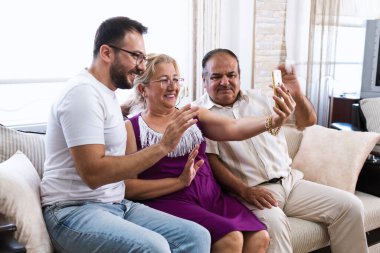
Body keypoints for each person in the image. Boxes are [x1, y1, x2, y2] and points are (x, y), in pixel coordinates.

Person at [40, 16, 212, 253]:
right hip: (72, 211)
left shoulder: (107, 94)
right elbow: (93, 174)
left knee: (197, 236)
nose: (142, 66)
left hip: (116, 204)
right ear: (107, 53)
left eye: (142, 58)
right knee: (155, 247)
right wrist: (163, 146)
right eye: (135, 56)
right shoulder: (81, 93)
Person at [195, 48, 368, 253]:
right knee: (274, 226)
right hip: (252, 192)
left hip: (291, 182)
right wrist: (244, 190)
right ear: (204, 80)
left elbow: (307, 121)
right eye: (216, 76)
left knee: (350, 206)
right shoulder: (200, 113)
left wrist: (297, 94)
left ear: (239, 76)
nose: (225, 82)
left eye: (231, 75)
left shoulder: (263, 98)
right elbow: (211, 161)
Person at [123, 53, 295, 253]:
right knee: (231, 238)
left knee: (260, 236)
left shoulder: (192, 113)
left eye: (176, 79)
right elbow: (128, 188)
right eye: (164, 80)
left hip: (210, 197)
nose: (172, 86)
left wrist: (272, 121)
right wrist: (178, 182)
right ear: (143, 89)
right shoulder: (131, 128)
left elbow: (235, 128)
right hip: (169, 201)